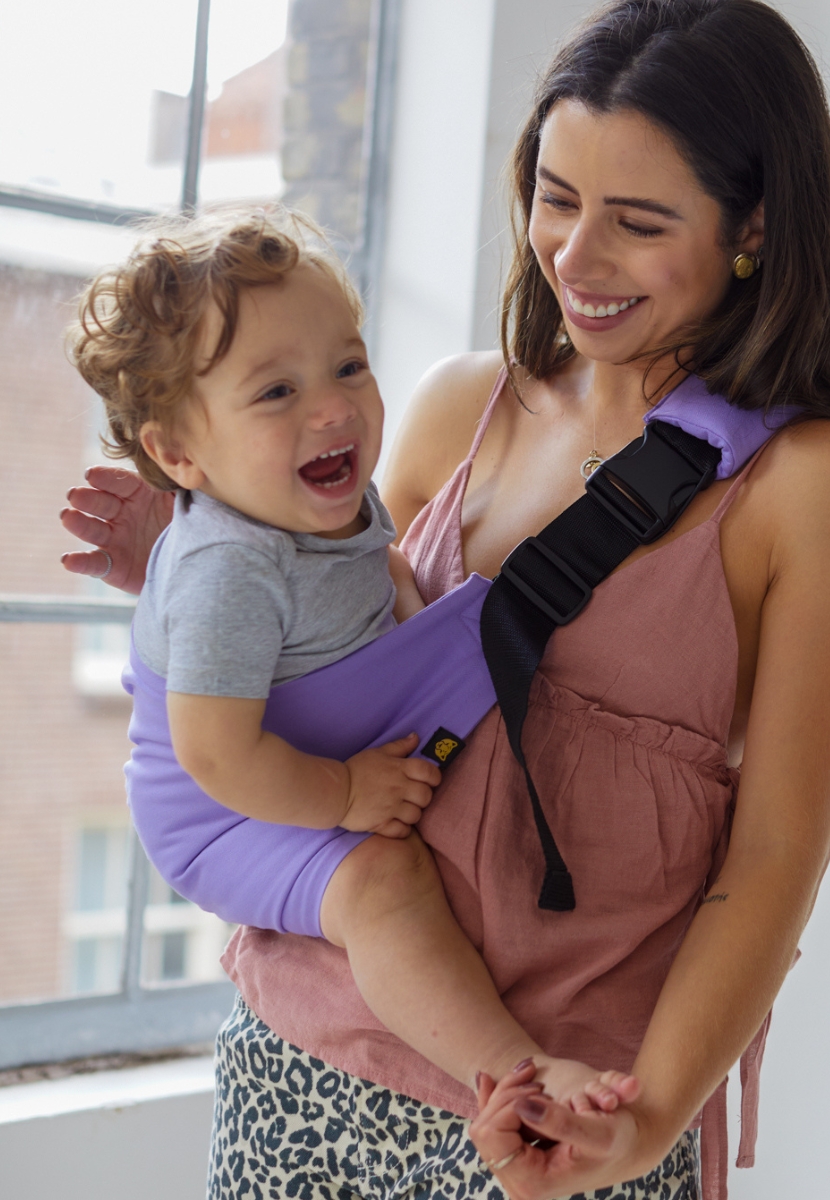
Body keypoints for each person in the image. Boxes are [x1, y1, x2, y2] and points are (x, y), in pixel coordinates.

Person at [60, 2, 830, 1197]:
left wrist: (647, 1125)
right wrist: (185, 560)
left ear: (754, 227)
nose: (573, 259)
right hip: (303, 1054)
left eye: (637, 222)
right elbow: (332, 655)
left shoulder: (829, 491)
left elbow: (777, 857)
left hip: (564, 1115)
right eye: (556, 196)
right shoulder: (455, 405)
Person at [68, 208, 639, 1112]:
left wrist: (415, 612)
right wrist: (343, 798)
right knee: (382, 882)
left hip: (279, 748)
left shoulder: (317, 486)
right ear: (181, 455)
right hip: (220, 810)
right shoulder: (229, 568)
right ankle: (513, 1069)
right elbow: (214, 755)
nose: (333, 408)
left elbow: (381, 567)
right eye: (275, 393)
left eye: (348, 366)